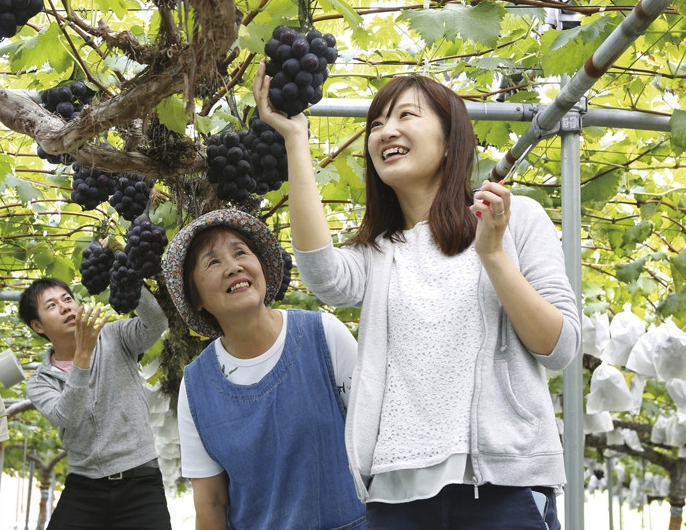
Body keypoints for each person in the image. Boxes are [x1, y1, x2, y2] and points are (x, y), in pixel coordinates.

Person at [253, 64, 581, 530]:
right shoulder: (380, 253)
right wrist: (294, 139)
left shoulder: (515, 219)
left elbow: (559, 347)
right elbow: (322, 273)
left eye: (407, 115)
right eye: (377, 123)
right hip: (397, 491)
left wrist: (492, 254)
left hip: (503, 482)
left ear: (450, 143)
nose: (387, 131)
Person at [162, 208, 367, 530]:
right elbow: (211, 503)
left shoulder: (324, 334)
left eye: (240, 252)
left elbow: (377, 440)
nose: (233, 267)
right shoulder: (197, 385)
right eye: (213, 262)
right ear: (195, 297)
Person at [20, 276, 172, 530]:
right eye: (52, 305)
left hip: (141, 483)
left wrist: (125, 273)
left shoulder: (115, 335)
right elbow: (68, 416)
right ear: (38, 326)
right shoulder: (38, 383)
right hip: (84, 488)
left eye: (67, 299)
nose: (66, 306)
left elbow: (157, 322)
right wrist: (83, 355)